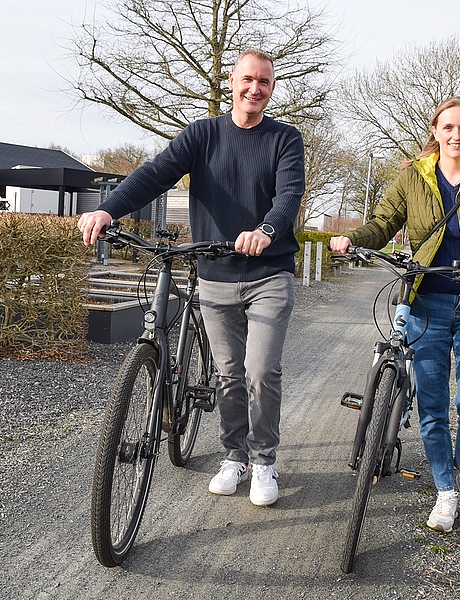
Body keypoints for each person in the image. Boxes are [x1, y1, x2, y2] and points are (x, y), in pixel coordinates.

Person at [78, 49, 305, 507]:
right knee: (228, 373)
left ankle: (263, 460)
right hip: (216, 274)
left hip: (268, 273)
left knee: (260, 370)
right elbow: (154, 175)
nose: (254, 89)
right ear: (231, 81)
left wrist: (266, 230)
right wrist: (107, 209)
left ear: (272, 88)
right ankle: (234, 456)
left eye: (264, 82)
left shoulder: (284, 138)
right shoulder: (202, 134)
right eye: (247, 79)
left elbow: (289, 196)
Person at [329, 96, 460, 532]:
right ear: (435, 130)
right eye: (448, 127)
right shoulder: (413, 177)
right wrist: (353, 238)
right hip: (425, 305)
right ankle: (444, 489)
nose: (456, 135)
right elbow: (383, 223)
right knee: (433, 406)